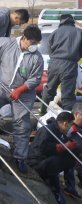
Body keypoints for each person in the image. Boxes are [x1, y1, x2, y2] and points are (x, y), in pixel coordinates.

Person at [0, 25, 43, 173]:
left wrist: (19, 90)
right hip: (2, 85)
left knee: (22, 124)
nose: (33, 46)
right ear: (24, 38)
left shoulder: (37, 57)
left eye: (36, 44)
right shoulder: (7, 43)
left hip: (24, 92)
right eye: (32, 43)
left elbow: (35, 79)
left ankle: (20, 157)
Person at [41, 14, 82, 114]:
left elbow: (49, 50)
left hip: (54, 63)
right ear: (72, 21)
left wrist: (56, 58)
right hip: (69, 65)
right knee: (68, 95)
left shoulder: (54, 33)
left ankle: (42, 112)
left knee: (49, 89)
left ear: (61, 21)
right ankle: (67, 120)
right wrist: (74, 57)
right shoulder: (80, 32)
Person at [27, 112, 77, 204]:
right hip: (36, 162)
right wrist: (62, 147)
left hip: (46, 161)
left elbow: (66, 147)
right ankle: (56, 190)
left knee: (71, 157)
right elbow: (42, 149)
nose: (70, 128)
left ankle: (70, 187)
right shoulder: (47, 130)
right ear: (65, 123)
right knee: (55, 161)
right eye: (70, 125)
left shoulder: (59, 131)